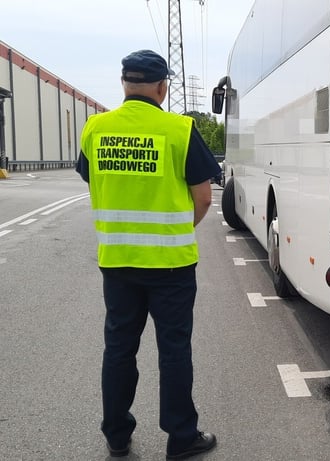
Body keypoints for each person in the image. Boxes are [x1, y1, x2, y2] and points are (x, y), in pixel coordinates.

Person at [76, 49, 221, 460]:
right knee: (174, 350)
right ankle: (181, 438)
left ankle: (117, 435)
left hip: (117, 262)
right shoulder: (178, 129)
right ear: (162, 87)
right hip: (171, 265)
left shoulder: (95, 128)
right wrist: (174, 229)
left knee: (119, 347)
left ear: (124, 84)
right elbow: (204, 198)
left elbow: (92, 177)